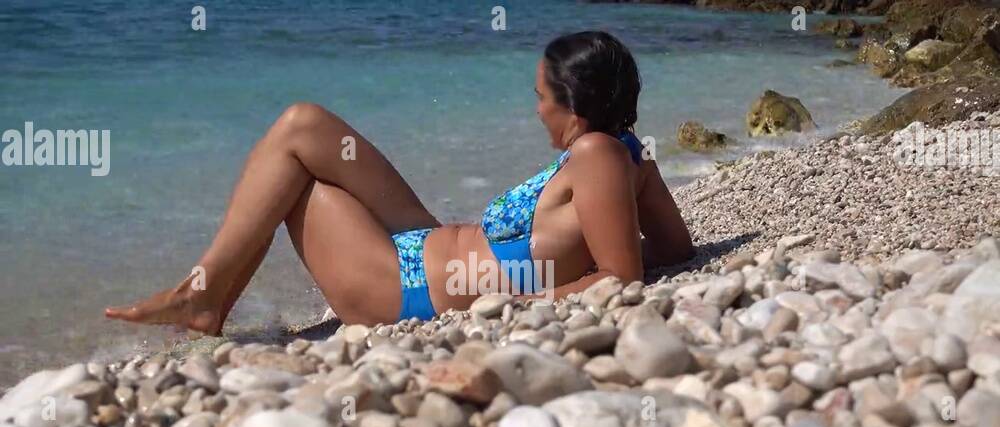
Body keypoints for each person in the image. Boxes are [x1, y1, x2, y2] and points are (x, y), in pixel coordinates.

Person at [105, 31, 694, 334]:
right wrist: (608, 223)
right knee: (304, 125)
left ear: (574, 103)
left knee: (290, 173)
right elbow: (675, 249)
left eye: (541, 97)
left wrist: (516, 302)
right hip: (422, 244)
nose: (536, 109)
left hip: (404, 291)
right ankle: (207, 298)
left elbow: (620, 277)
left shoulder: (595, 154)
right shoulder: (625, 154)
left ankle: (203, 299)